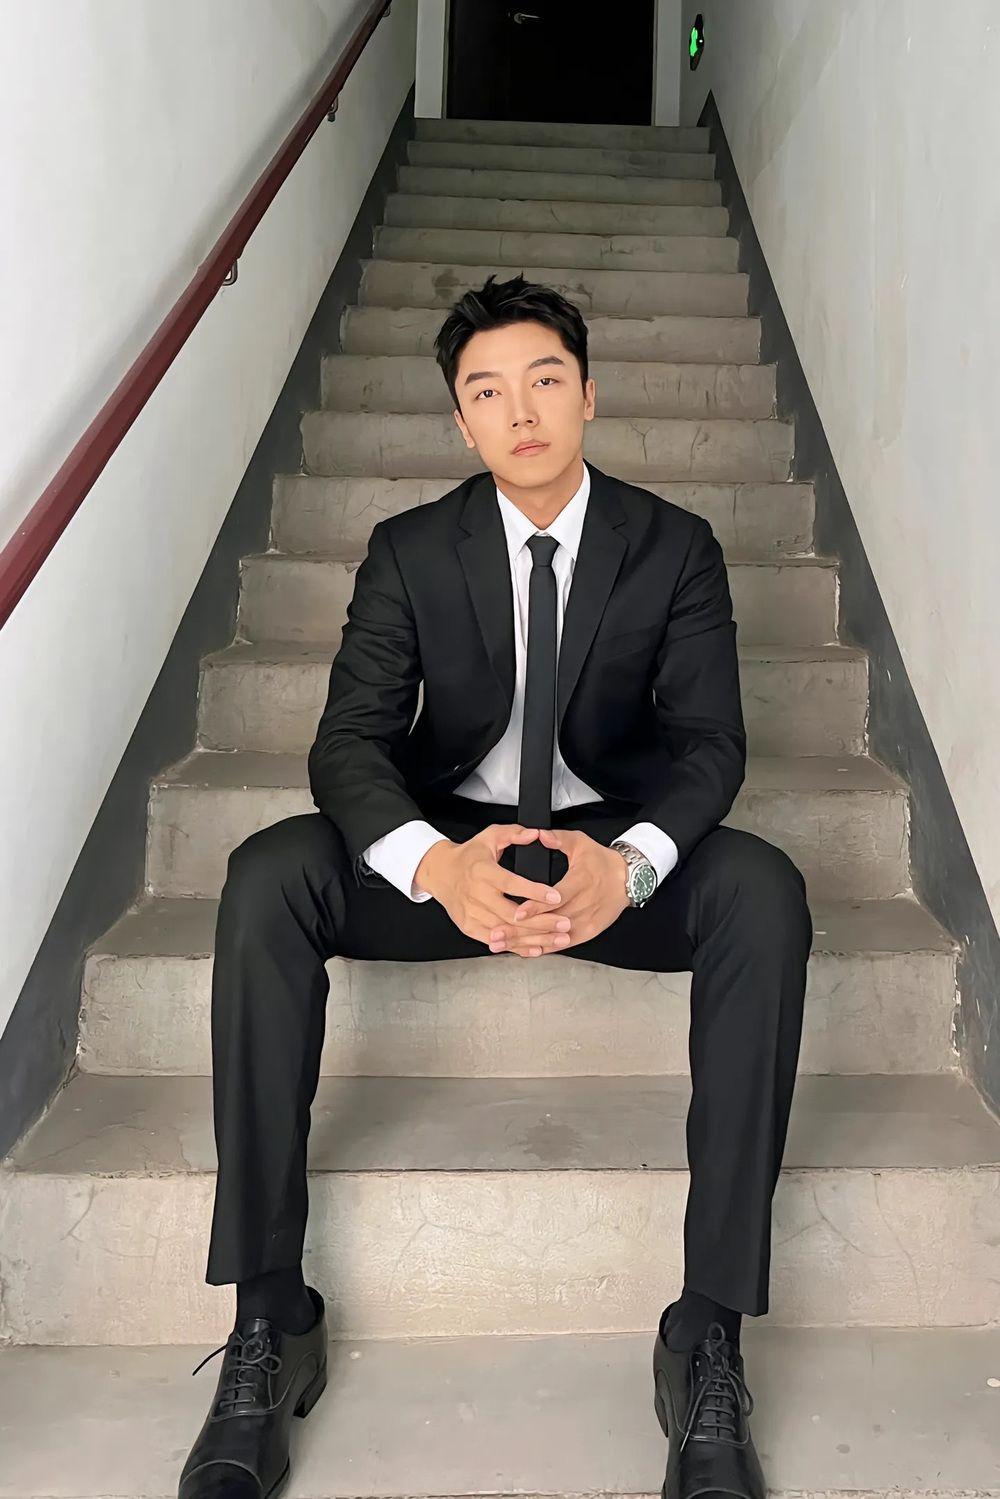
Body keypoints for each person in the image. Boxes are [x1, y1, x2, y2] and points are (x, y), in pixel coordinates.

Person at [178, 272, 813, 1499]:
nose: (519, 411)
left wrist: (628, 864)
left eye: (544, 380)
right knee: (268, 872)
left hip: (603, 851)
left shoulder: (673, 545)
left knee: (764, 891)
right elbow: (348, 743)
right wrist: (437, 862)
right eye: (486, 391)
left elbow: (710, 748)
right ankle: (270, 1313)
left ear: (588, 396)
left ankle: (706, 1334)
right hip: (459, 849)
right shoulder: (411, 549)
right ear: (460, 422)